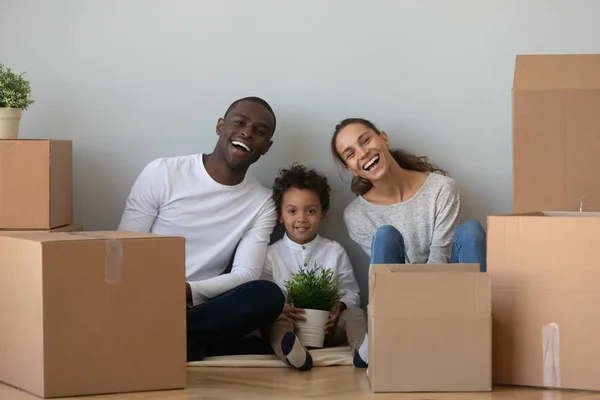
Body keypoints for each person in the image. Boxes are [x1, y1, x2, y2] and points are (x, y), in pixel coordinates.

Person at [118, 96, 285, 361]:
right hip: (146, 296)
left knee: (268, 295)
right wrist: (156, 291)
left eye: (260, 132)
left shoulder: (263, 202)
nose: (247, 133)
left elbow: (245, 274)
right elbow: (123, 249)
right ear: (220, 126)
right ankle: (195, 345)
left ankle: (168, 340)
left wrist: (186, 291)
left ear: (267, 147)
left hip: (202, 307)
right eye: (240, 123)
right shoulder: (162, 172)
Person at [331, 118, 487, 365]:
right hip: (401, 302)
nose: (363, 153)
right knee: (385, 234)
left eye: (366, 140)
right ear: (350, 168)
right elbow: (392, 273)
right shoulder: (356, 215)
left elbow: (441, 255)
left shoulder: (441, 188)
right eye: (351, 153)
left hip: (451, 294)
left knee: (471, 231)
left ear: (383, 138)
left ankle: (478, 336)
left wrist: (433, 313)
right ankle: (381, 337)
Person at [260, 164, 368, 371]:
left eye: (311, 211)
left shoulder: (334, 251)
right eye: (292, 211)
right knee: (276, 323)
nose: (301, 218)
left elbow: (350, 290)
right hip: (292, 324)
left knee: (355, 314)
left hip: (328, 328)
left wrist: (340, 306)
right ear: (280, 215)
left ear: (323, 213)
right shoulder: (271, 254)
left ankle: (362, 351)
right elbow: (263, 292)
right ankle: (292, 353)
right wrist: (281, 307)